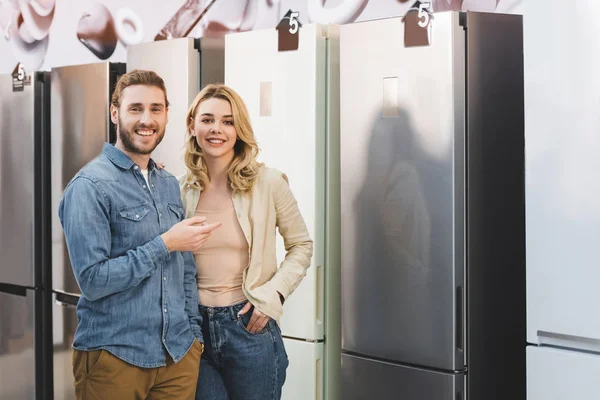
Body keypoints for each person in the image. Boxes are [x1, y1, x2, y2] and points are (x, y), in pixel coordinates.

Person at [58, 69, 221, 400]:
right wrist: (164, 244)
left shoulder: (167, 183)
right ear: (115, 113)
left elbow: (184, 269)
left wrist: (192, 335)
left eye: (156, 109)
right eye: (136, 109)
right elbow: (92, 280)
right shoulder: (89, 186)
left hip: (177, 357)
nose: (147, 119)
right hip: (114, 358)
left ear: (166, 115)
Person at [178, 83, 313, 400]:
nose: (217, 129)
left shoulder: (269, 182)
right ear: (192, 124)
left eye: (228, 121)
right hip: (194, 332)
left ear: (239, 128)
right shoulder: (180, 189)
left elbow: (302, 247)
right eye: (208, 119)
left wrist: (272, 294)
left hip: (248, 329)